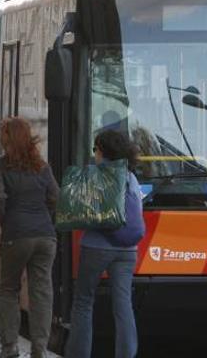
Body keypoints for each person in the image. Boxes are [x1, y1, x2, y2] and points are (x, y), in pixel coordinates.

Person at [65, 130, 146, 358]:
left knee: (83, 301)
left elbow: (82, 209)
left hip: (96, 246)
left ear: (102, 150)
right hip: (128, 249)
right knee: (123, 305)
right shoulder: (131, 176)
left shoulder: (95, 174)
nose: (95, 154)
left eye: (95, 150)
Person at [0, 117, 59, 358]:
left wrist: (8, 221)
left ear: (5, 138)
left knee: (9, 289)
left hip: (16, 235)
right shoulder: (42, 166)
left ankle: (9, 347)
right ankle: (39, 349)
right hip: (45, 236)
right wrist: (45, 218)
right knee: (41, 292)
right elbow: (55, 197)